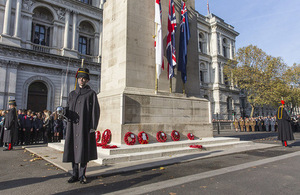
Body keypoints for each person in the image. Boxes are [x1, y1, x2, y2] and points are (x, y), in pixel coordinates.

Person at [62, 68, 100, 184]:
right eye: (80, 78)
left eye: (84, 78)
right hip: (72, 127)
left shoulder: (91, 94)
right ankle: (74, 174)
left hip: (84, 126)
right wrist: (64, 112)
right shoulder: (72, 94)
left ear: (87, 80)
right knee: (73, 150)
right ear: (77, 79)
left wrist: (92, 126)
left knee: (83, 151)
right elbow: (68, 109)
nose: (81, 80)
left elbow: (95, 111)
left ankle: (82, 174)